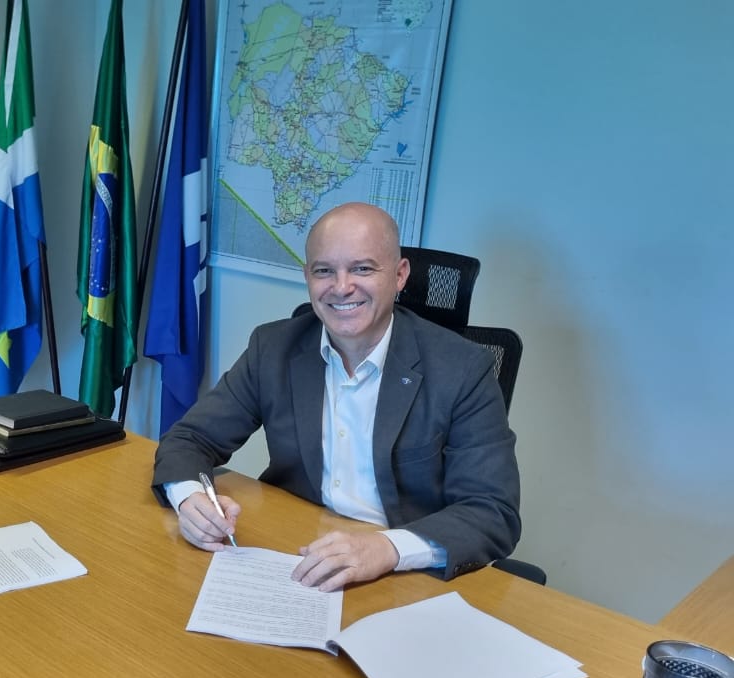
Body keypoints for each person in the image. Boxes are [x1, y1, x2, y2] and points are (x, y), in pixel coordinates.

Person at [152, 202, 520, 591]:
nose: (341, 287)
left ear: (399, 275)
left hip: (402, 577)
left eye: (362, 269)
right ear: (307, 277)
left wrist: (387, 548)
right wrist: (190, 499)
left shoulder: (462, 369)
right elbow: (190, 438)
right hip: (297, 554)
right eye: (324, 271)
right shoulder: (273, 347)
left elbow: (493, 512)